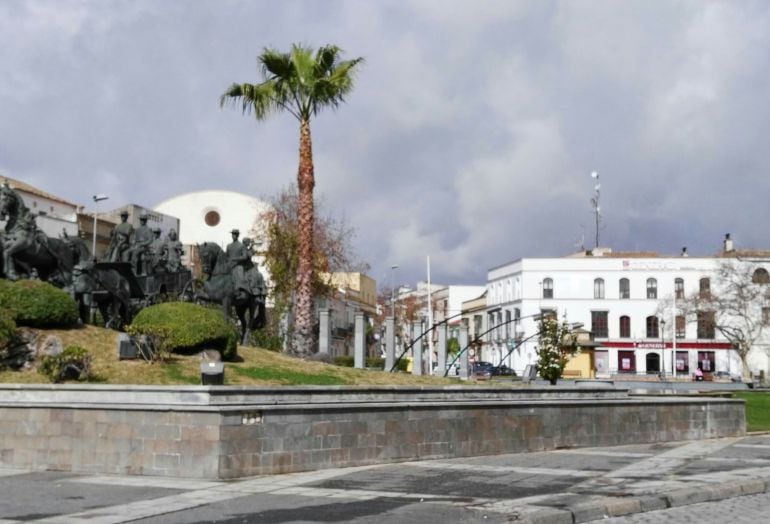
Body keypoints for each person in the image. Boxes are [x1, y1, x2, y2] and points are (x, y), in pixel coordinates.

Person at [226, 229, 251, 298]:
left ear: (238, 235)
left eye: (235, 234)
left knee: (239, 274)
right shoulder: (228, 246)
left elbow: (245, 256)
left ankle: (240, 291)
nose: (233, 236)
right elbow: (227, 256)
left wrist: (235, 259)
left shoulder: (241, 245)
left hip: (238, 265)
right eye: (233, 234)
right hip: (229, 265)